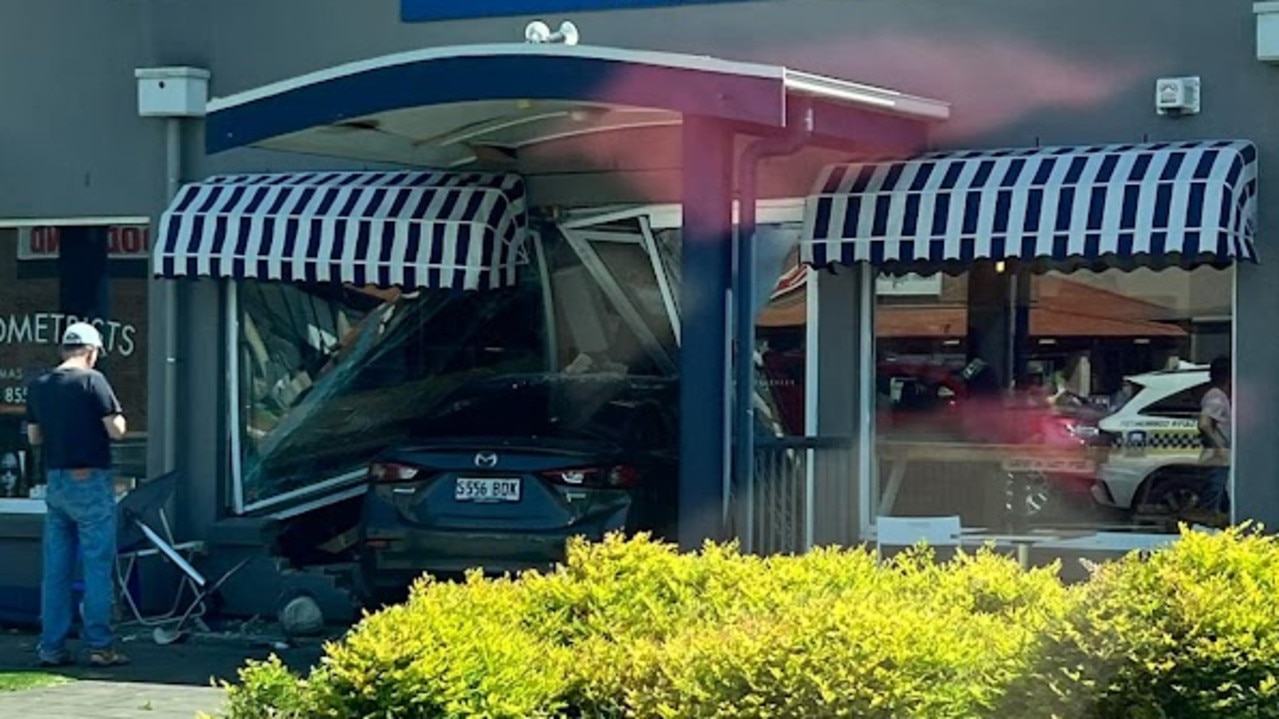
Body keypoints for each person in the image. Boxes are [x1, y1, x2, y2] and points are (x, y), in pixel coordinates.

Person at [24, 322, 130, 667]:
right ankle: (100, 646)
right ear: (91, 351)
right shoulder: (92, 380)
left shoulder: (39, 385)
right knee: (97, 566)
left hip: (56, 482)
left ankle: (51, 647)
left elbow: (34, 437)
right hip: (91, 480)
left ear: (64, 350)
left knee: (56, 570)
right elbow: (115, 430)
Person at [1197, 356, 1232, 519]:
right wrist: (1219, 447)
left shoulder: (1220, 395)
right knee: (1212, 495)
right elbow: (1204, 423)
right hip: (1217, 456)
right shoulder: (1216, 396)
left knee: (1221, 496)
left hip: (1221, 456)